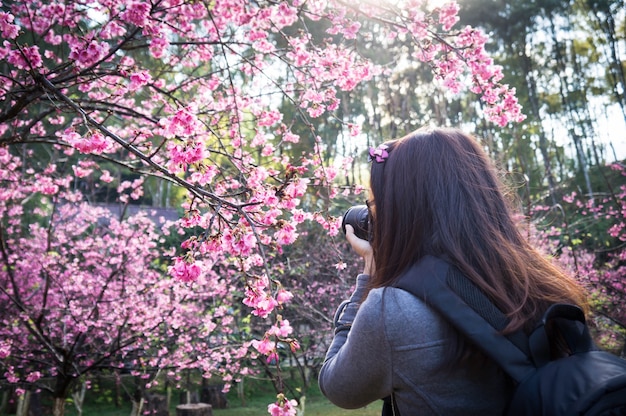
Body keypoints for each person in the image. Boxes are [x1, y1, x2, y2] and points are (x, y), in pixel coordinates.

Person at [318, 127, 588, 415]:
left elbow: (337, 387)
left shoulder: (392, 311)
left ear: (401, 210)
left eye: (376, 206)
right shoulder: (539, 283)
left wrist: (369, 276)